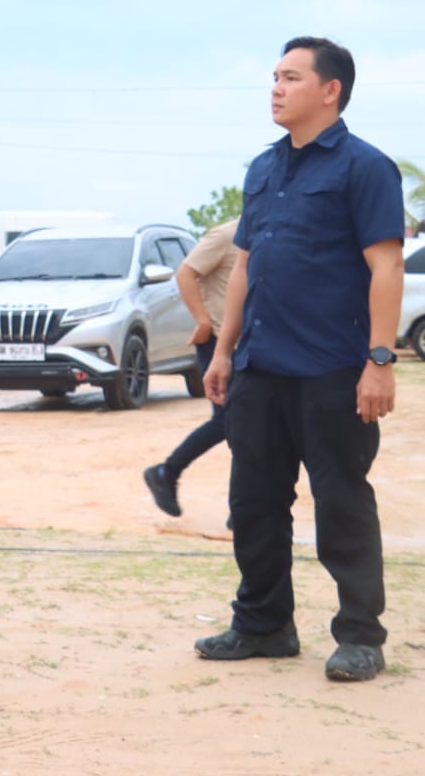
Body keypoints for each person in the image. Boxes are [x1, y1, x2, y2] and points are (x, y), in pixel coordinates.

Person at [196, 37, 404, 684]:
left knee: (340, 500)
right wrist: (223, 351)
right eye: (273, 77)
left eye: (290, 77)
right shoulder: (261, 170)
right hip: (260, 366)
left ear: (329, 89)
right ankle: (263, 625)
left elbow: (385, 264)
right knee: (253, 501)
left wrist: (378, 360)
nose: (275, 88)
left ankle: (360, 637)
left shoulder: (363, 168)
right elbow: (246, 266)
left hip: (331, 368)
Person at [143, 218, 238, 518]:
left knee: (246, 427)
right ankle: (166, 472)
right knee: (231, 423)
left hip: (246, 344)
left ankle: (242, 510)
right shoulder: (226, 235)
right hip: (217, 341)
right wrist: (203, 320)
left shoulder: (269, 235)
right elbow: (185, 273)